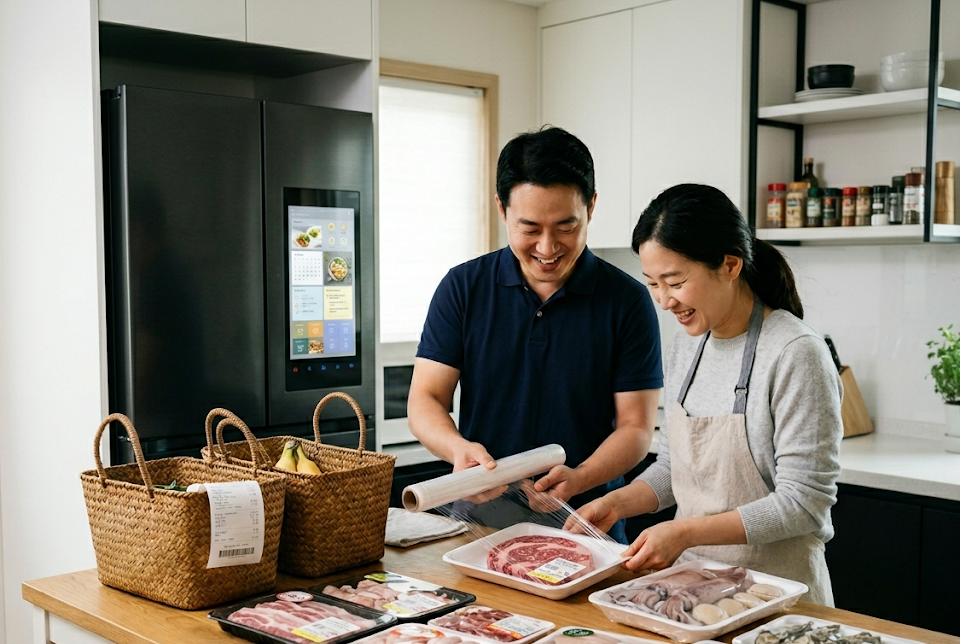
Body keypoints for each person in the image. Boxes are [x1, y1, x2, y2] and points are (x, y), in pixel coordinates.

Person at [571, 183, 842, 604]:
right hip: (694, 592)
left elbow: (803, 503)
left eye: (675, 281)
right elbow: (674, 469)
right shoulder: (688, 345)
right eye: (653, 284)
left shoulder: (795, 352)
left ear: (730, 265)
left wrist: (685, 532)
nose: (664, 301)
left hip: (777, 596)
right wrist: (618, 503)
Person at [407, 126, 663, 543]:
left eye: (566, 227)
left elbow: (635, 428)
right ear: (502, 209)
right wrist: (458, 450)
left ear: (591, 207)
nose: (547, 247)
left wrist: (580, 477)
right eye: (529, 228)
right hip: (477, 525)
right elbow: (425, 399)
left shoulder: (627, 301)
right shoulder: (463, 288)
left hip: (586, 527)